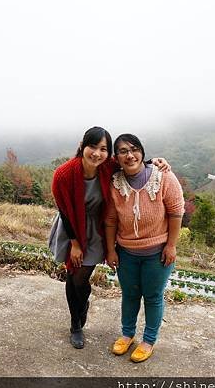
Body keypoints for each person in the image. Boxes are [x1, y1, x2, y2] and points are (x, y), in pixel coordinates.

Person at [49, 127, 170, 349]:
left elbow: (132, 162)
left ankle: (81, 304)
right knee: (74, 274)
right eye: (92, 147)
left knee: (83, 275)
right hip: (72, 228)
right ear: (82, 146)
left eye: (103, 149)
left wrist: (156, 162)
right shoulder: (64, 174)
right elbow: (64, 211)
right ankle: (76, 325)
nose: (97, 153)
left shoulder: (107, 167)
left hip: (96, 229)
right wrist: (74, 243)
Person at [105, 133, 184, 362]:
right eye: (122, 151)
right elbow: (110, 220)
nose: (130, 155)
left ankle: (148, 340)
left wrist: (171, 245)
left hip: (157, 253)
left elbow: (176, 212)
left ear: (142, 152)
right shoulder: (115, 183)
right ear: (116, 157)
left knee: (152, 296)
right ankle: (127, 334)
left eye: (134, 149)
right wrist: (111, 250)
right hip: (126, 252)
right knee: (129, 294)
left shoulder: (163, 177)